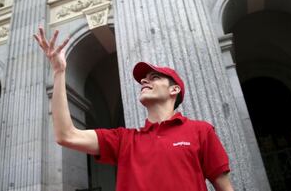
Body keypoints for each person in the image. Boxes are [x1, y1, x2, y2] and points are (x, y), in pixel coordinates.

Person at [33, 27, 235, 191]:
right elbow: (66, 136)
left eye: (155, 77)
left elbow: (224, 187)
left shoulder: (201, 131)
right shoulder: (124, 140)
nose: (145, 81)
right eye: (144, 79)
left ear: (174, 89)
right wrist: (59, 72)